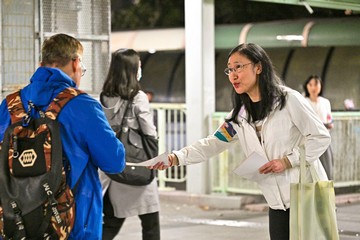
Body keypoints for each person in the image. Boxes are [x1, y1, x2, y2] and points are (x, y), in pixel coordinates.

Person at [149, 43, 331, 240]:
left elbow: (321, 136)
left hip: (305, 197)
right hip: (276, 203)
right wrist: (176, 158)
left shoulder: (289, 100)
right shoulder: (239, 115)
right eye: (229, 69)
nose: (233, 75)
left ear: (258, 67)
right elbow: (213, 143)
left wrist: (287, 161)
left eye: (239, 67)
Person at [0, 33, 126, 239]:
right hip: (71, 225)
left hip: (15, 221)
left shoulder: (10, 104)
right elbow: (115, 162)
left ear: (41, 64)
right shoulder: (83, 105)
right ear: (76, 63)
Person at [99, 48, 160, 240]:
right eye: (138, 65)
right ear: (132, 69)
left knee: (110, 222)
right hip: (136, 165)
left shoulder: (103, 96)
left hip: (112, 168)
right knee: (151, 223)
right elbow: (149, 131)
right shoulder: (137, 97)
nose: (140, 68)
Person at [303, 75, 334, 179]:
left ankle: (326, 193)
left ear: (321, 86)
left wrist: (325, 125)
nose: (313, 88)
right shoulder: (303, 101)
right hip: (309, 141)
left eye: (316, 84)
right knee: (310, 172)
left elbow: (330, 121)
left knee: (327, 169)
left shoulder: (325, 102)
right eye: (310, 84)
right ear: (306, 86)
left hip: (324, 140)